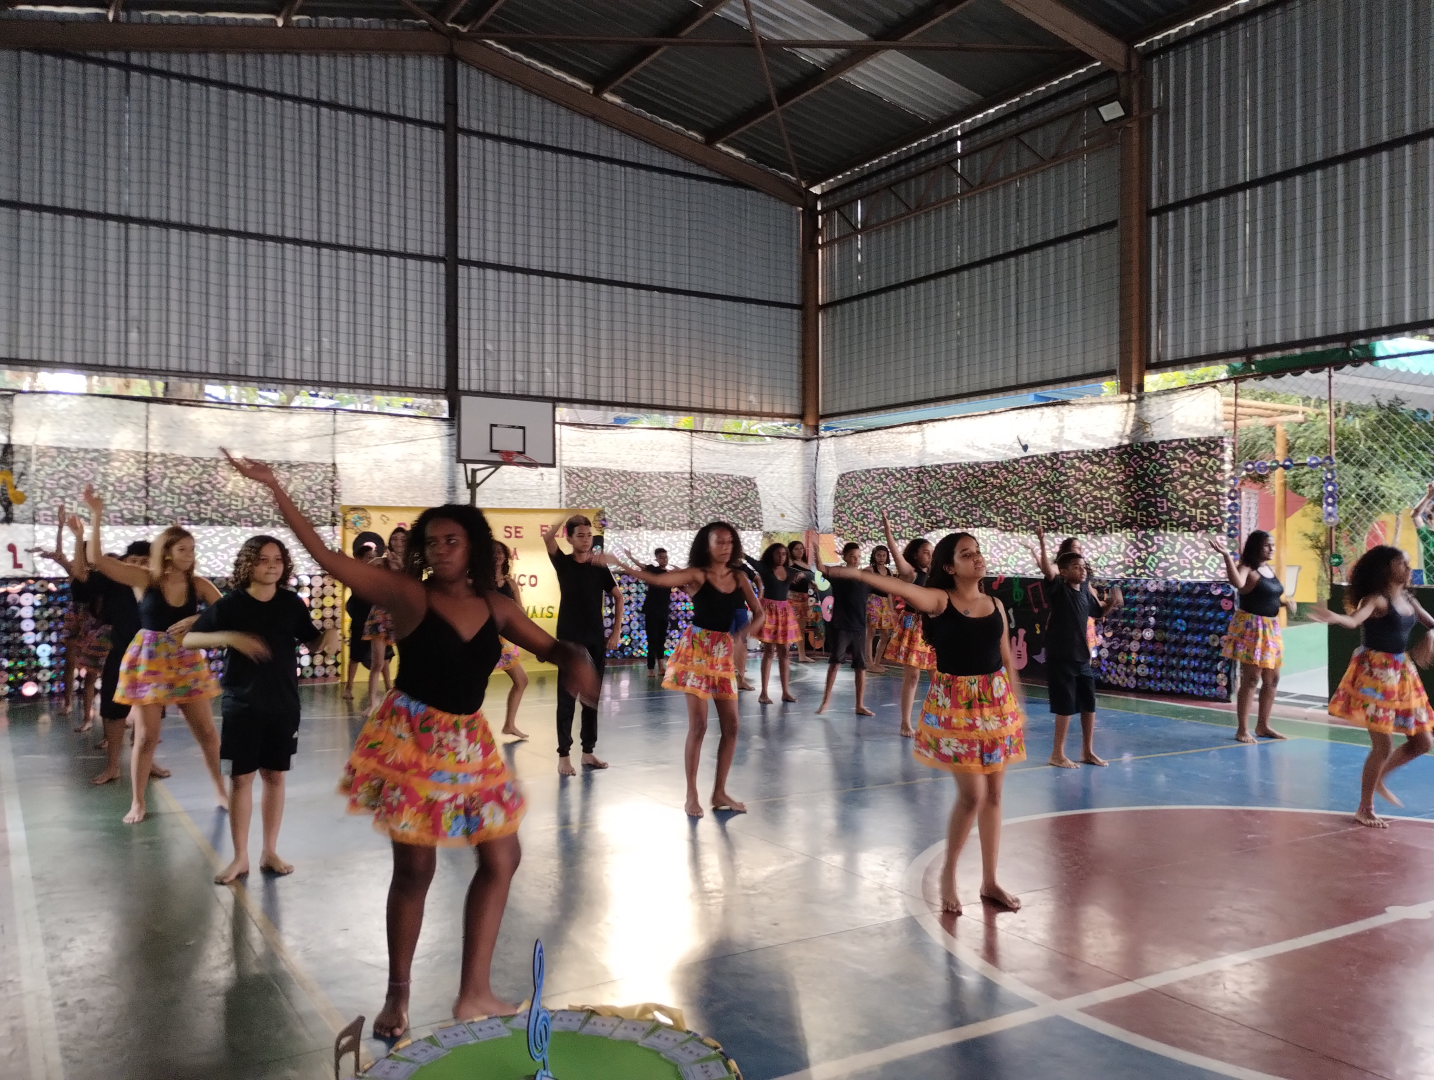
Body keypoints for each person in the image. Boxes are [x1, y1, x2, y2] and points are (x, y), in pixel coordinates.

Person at [222, 448, 598, 1037]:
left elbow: (552, 649)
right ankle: (398, 994)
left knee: (503, 856)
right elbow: (323, 554)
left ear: (474, 545)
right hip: (413, 738)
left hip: (471, 740)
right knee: (415, 871)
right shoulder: (406, 593)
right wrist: (275, 487)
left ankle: (474, 991)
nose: (442, 549)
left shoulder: (498, 607)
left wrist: (578, 662)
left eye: (453, 539)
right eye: (433, 541)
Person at [813, 529, 1024, 913]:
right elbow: (896, 585)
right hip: (956, 707)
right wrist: (853, 573)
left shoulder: (993, 603)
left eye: (977, 552)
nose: (977, 558)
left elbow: (1006, 658)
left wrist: (1017, 709)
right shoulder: (940, 599)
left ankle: (990, 880)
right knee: (972, 795)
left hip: (996, 706)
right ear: (949, 566)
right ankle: (948, 874)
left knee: (994, 795)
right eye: (966, 554)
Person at [184, 535, 340, 884]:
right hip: (242, 704)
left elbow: (315, 644)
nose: (272, 565)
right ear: (248, 564)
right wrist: (231, 638)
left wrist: (329, 635)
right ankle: (240, 857)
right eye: (264, 559)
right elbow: (190, 638)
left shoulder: (290, 603)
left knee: (275, 777)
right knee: (241, 780)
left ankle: (269, 850)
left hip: (284, 705)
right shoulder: (232, 605)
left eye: (278, 560)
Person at [83, 487, 229, 823]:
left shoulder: (200, 584)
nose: (190, 554)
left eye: (192, 549)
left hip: (186, 660)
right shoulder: (144, 579)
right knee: (147, 737)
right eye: (183, 549)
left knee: (207, 732)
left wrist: (197, 619)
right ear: (167, 552)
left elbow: (227, 612)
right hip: (150, 660)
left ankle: (220, 790)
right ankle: (137, 801)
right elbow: (98, 562)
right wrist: (95, 514)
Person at [616, 523, 762, 818]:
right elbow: (659, 580)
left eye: (729, 542)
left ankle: (719, 791)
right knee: (699, 725)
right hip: (696, 649)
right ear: (706, 545)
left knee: (732, 725)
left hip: (722, 651)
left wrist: (740, 635)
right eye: (719, 541)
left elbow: (760, 613)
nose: (725, 546)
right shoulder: (697, 574)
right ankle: (691, 794)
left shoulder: (740, 577)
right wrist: (621, 565)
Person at [1311, 545, 1434, 828]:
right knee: (1383, 745)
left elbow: (1431, 624)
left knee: (1423, 741)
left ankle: (1378, 778)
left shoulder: (1409, 600)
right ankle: (1364, 807)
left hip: (1402, 673)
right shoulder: (1377, 600)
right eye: (1402, 563)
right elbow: (1354, 620)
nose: (1408, 567)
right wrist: (1334, 617)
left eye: (1407, 563)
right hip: (1376, 676)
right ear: (1386, 568)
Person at [545, 513, 622, 775]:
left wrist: (616, 631)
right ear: (569, 538)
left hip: (595, 640)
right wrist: (565, 515)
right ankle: (563, 755)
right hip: (569, 640)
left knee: (591, 699)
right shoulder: (563, 563)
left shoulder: (599, 567)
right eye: (580, 535)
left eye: (589, 535)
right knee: (566, 699)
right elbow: (547, 537)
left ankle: (588, 752)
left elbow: (619, 597)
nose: (586, 540)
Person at [1209, 530, 1295, 743]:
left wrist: (1284, 603)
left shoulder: (1267, 569)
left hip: (1270, 628)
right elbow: (1238, 583)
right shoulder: (1247, 567)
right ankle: (1242, 729)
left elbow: (1267, 596)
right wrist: (1227, 556)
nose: (1271, 549)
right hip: (1252, 628)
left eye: (1272, 545)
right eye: (1267, 545)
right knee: (1251, 679)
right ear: (1257, 547)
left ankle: (1263, 725)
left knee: (1272, 678)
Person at [85, 532, 156, 786]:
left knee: (151, 714)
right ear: (126, 560)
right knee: (114, 712)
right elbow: (85, 573)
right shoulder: (114, 581)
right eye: (134, 560)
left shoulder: (158, 586)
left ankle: (149, 761)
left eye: (145, 561)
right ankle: (113, 765)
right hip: (122, 654)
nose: (139, 565)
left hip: (153, 659)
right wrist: (81, 535)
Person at [1042, 549, 1122, 767]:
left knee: (1089, 704)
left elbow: (1098, 613)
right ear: (1064, 572)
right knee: (1065, 706)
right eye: (1077, 566)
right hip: (1061, 657)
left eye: (1084, 566)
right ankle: (1057, 754)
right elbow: (1047, 571)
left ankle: (1087, 751)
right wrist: (1041, 543)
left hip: (1082, 657)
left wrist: (1113, 603)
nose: (1082, 570)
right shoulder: (1058, 589)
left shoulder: (1085, 591)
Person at [882, 512, 935, 738]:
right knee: (912, 676)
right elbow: (895, 554)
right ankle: (905, 722)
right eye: (926, 552)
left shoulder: (936, 575)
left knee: (938, 676)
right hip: (915, 625)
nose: (930, 556)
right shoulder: (910, 574)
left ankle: (936, 721)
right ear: (915, 555)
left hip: (934, 628)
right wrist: (887, 529)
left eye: (932, 553)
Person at [813, 542, 873, 716]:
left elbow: (887, 586)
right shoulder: (839, 575)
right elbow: (822, 568)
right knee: (835, 663)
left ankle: (859, 705)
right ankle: (825, 701)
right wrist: (817, 552)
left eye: (858, 557)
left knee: (861, 666)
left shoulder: (865, 577)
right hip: (841, 625)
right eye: (853, 556)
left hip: (859, 627)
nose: (856, 560)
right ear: (845, 557)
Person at [746, 543, 802, 704]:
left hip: (784, 613)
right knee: (769, 652)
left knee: (785, 652)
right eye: (778, 554)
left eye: (784, 554)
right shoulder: (765, 569)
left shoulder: (791, 571)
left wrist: (804, 576)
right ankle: (764, 692)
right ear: (771, 555)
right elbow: (748, 559)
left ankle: (785, 692)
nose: (781, 557)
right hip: (770, 612)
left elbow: (809, 574)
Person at [362, 527, 409, 713]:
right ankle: (372, 702)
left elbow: (415, 585)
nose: (398, 542)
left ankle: (406, 699)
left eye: (402, 539)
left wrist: (401, 566)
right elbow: (362, 571)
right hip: (381, 614)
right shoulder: (381, 562)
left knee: (409, 662)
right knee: (377, 663)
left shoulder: (412, 564)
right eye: (395, 539)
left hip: (404, 615)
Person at [492, 541, 529, 740]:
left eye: (500, 552)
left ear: (505, 557)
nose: (497, 556)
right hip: (482, 640)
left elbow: (520, 612)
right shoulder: (479, 581)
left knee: (521, 680)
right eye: (493, 552)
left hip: (501, 642)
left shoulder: (509, 583)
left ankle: (509, 724)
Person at [343, 534, 382, 700]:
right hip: (360, 620)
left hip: (376, 621)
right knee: (355, 656)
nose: (372, 561)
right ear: (360, 559)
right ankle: (349, 688)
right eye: (368, 558)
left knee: (384, 657)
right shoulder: (356, 576)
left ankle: (389, 687)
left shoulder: (377, 577)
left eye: (374, 557)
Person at [865, 545, 897, 673]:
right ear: (874, 556)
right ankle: (869, 663)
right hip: (873, 601)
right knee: (871, 632)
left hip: (884, 604)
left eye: (884, 555)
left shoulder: (889, 572)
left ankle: (877, 662)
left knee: (885, 635)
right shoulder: (870, 570)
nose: (881, 558)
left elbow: (889, 592)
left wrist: (891, 609)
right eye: (878, 555)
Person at [643, 548, 673, 675]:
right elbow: (641, 566)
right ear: (656, 559)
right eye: (661, 557)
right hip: (651, 611)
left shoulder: (670, 574)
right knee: (652, 640)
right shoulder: (652, 570)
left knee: (661, 640)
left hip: (663, 611)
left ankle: (661, 667)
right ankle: (651, 668)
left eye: (666, 557)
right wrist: (630, 558)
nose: (664, 560)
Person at [732, 558, 760, 691]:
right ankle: (729, 678)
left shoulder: (742, 568)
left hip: (740, 608)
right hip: (723, 610)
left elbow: (757, 579)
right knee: (728, 643)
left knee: (742, 642)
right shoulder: (717, 566)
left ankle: (741, 679)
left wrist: (760, 597)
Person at [786, 539, 816, 662]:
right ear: (791, 551)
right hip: (793, 597)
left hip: (805, 597)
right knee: (792, 626)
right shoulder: (789, 563)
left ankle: (802, 655)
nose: (799, 551)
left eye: (801, 548)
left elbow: (810, 580)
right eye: (796, 549)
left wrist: (814, 586)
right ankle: (785, 652)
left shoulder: (806, 565)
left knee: (801, 629)